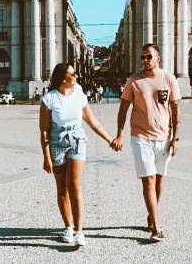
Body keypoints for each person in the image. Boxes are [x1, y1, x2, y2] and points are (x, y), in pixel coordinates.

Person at [111, 44, 181, 243]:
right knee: (148, 180)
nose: (145, 60)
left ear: (158, 58)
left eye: (149, 56)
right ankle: (157, 228)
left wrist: (175, 138)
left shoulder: (169, 79)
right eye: (142, 57)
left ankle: (152, 215)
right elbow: (123, 110)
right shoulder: (133, 81)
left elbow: (175, 109)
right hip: (140, 138)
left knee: (159, 180)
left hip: (164, 137)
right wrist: (119, 134)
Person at [40, 63, 113, 247]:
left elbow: (93, 122)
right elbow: (44, 132)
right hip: (57, 143)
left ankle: (80, 231)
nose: (77, 76)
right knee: (62, 189)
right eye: (73, 74)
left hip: (77, 140)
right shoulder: (49, 99)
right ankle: (68, 227)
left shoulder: (79, 96)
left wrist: (109, 139)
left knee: (75, 185)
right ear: (64, 78)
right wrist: (46, 156)